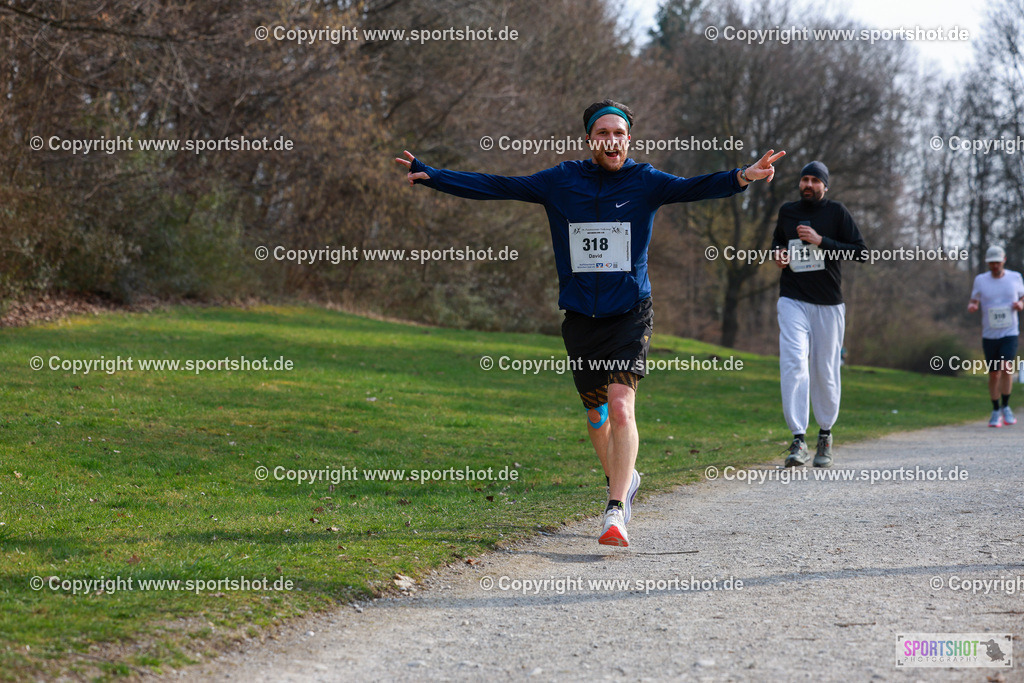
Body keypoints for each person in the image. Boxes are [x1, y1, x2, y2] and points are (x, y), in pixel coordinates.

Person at [395, 99, 785, 546]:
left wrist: (743, 176)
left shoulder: (646, 181)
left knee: (621, 406)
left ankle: (615, 510)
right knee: (597, 416)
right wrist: (437, 177)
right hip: (581, 317)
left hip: (630, 313)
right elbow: (499, 185)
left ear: (628, 140)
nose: (611, 140)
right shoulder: (561, 181)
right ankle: (625, 477)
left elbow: (695, 186)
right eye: (603, 133)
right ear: (589, 140)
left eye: (618, 133)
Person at [771, 161, 866, 468]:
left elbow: (860, 251)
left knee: (825, 369)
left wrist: (821, 241)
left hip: (828, 304)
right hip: (793, 299)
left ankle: (825, 434)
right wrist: (779, 254)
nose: (808, 185)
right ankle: (798, 438)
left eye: (814, 180)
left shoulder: (836, 213)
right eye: (804, 180)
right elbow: (777, 241)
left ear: (825, 186)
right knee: (794, 363)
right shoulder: (788, 211)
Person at [967, 245, 1024, 427]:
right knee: (993, 374)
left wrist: (1021, 305)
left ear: (1003, 260)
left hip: (1010, 332)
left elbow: (1023, 297)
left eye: (997, 263)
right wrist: (973, 306)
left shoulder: (1015, 277)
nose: (994, 266)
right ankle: (995, 410)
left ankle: (1006, 407)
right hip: (990, 334)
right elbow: (974, 299)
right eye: (991, 263)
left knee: (1006, 367)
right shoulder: (981, 280)